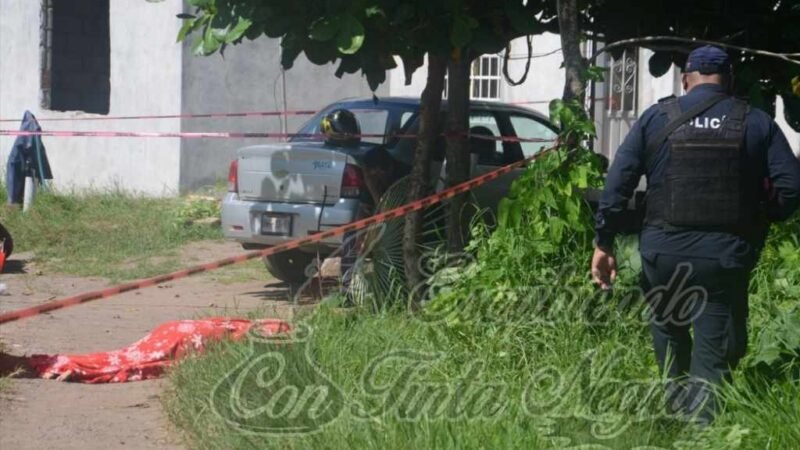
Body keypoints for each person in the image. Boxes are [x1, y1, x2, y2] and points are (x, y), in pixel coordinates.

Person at [591, 45, 800, 423]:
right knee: (716, 349)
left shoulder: (655, 117)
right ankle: (702, 430)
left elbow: (618, 183)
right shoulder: (755, 122)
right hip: (722, 257)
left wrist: (604, 242)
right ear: (729, 82)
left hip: (662, 254)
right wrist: (762, 217)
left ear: (686, 80)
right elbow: (790, 189)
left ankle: (673, 417)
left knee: (669, 333)